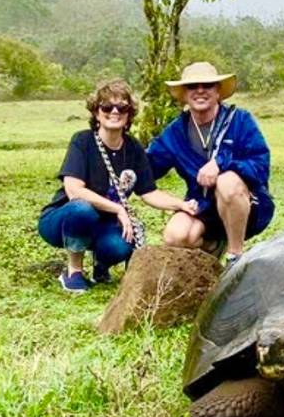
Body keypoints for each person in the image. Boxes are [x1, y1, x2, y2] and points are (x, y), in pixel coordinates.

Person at [38, 79, 199, 293]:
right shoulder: (83, 141)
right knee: (82, 209)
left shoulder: (134, 149)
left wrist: (181, 204)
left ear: (129, 115)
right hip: (63, 219)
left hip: (104, 224)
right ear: (96, 113)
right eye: (107, 107)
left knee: (121, 245)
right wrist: (118, 209)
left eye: (122, 107)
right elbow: (74, 190)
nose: (114, 112)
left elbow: (149, 192)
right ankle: (73, 271)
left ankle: (101, 264)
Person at [148, 61, 275, 264]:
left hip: (246, 205)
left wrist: (221, 164)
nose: (200, 91)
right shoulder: (176, 132)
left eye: (207, 85)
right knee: (175, 236)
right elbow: (149, 167)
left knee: (227, 182)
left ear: (218, 92)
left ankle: (235, 255)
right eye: (192, 86)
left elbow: (261, 164)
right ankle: (213, 246)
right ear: (184, 94)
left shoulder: (240, 121)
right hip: (202, 205)